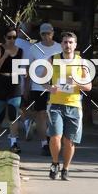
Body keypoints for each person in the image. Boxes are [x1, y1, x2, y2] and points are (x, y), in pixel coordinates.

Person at [45, 32, 92, 180]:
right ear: (61, 44)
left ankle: (65, 169)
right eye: (65, 42)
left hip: (74, 106)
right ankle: (54, 163)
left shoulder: (81, 62)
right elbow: (42, 80)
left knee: (69, 141)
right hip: (55, 104)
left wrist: (76, 83)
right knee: (55, 137)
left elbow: (88, 86)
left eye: (71, 42)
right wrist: (49, 87)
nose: (68, 45)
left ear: (75, 45)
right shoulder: (53, 59)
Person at [24, 23, 62, 155]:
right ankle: (44, 144)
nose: (46, 36)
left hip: (56, 86)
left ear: (53, 33)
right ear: (40, 34)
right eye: (43, 34)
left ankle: (53, 140)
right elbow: (28, 69)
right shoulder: (34, 48)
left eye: (48, 33)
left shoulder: (60, 47)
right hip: (38, 86)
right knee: (41, 114)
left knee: (52, 114)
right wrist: (26, 87)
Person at [0, 26, 23, 152]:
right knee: (0, 114)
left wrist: (24, 72)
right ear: (4, 37)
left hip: (14, 82)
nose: (12, 40)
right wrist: (4, 56)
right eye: (9, 37)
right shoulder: (0, 49)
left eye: (14, 37)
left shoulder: (20, 51)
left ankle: (14, 143)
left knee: (13, 112)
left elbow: (19, 67)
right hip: (1, 82)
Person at [14, 21, 35, 140]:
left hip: (15, 79)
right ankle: (25, 123)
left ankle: (24, 123)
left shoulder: (12, 44)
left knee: (15, 105)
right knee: (20, 105)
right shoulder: (31, 47)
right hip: (24, 80)